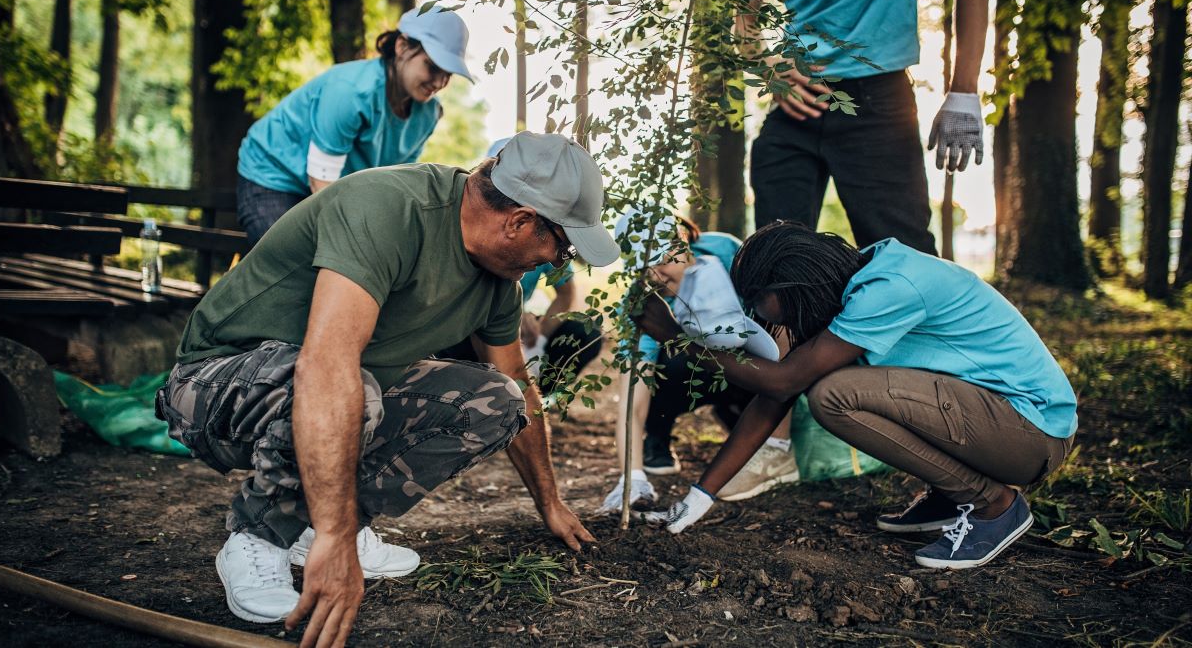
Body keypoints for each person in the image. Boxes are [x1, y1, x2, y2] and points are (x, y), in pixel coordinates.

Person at [155, 132, 619, 647]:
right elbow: (327, 366)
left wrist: (549, 502)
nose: (557, 265)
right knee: (355, 388)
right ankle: (259, 535)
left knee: (496, 403)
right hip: (213, 387)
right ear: (520, 221)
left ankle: (314, 525)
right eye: (562, 247)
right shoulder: (390, 207)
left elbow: (520, 388)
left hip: (338, 391)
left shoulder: (499, 285)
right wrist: (336, 544)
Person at [634, 222, 1077, 570]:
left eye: (768, 309)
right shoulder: (848, 283)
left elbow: (784, 382)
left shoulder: (888, 287)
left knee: (834, 395)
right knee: (829, 387)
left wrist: (677, 337)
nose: (765, 321)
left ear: (795, 289)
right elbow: (773, 397)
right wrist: (699, 497)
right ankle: (952, 493)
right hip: (996, 424)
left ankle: (993, 505)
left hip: (1031, 431)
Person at [737, 0, 990, 253]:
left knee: (902, 258)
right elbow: (743, 12)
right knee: (774, 259)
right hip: (796, 100)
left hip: (877, 100)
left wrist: (964, 92)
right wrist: (767, 67)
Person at [600, 212, 799, 514]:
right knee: (671, 363)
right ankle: (658, 437)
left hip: (752, 366)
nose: (654, 274)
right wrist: (632, 475)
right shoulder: (645, 302)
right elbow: (633, 395)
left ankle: (767, 437)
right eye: (643, 268)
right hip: (691, 375)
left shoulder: (726, 251)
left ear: (681, 242)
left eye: (660, 259)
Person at [234, 6, 471, 245]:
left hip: (328, 188)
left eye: (448, 74)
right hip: (275, 175)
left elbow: (390, 183)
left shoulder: (428, 113)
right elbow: (322, 186)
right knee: (289, 266)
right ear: (401, 46)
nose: (440, 82)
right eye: (432, 67)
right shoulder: (350, 91)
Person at [437, 139, 604, 398]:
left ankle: (530, 403)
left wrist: (538, 334)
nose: (558, 261)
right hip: (465, 335)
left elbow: (566, 294)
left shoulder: (541, 248)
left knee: (584, 331)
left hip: (516, 331)